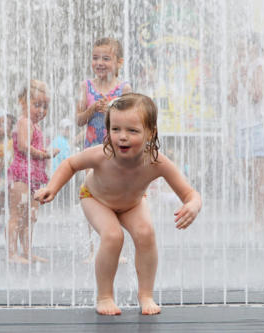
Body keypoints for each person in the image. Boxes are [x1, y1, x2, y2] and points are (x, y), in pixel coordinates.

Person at [35, 93, 202, 316]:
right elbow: (71, 164)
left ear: (150, 132)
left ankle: (145, 294)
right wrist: (52, 188)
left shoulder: (156, 161)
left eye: (132, 131)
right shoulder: (103, 154)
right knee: (113, 236)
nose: (122, 137)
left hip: (132, 204)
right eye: (116, 129)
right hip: (95, 198)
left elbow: (190, 193)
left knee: (146, 233)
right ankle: (104, 296)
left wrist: (193, 205)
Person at [76, 37, 132, 263]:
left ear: (119, 62)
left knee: (116, 198)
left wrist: (113, 111)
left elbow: (132, 118)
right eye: (95, 58)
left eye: (106, 58)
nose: (99, 63)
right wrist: (90, 110)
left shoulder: (123, 88)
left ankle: (114, 248)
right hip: (91, 150)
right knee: (90, 196)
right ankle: (93, 250)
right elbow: (79, 119)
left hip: (116, 151)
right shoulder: (86, 87)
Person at [7, 80, 59, 264]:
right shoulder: (24, 121)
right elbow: (23, 146)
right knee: (17, 215)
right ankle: (12, 253)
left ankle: (27, 251)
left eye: (45, 107)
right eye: (37, 105)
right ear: (23, 102)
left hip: (34, 177)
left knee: (31, 216)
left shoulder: (35, 125)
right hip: (21, 175)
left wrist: (45, 153)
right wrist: (45, 154)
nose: (41, 110)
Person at [228, 32, 264, 230]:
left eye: (243, 48)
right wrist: (235, 77)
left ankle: (259, 219)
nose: (240, 52)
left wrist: (245, 75)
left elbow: (257, 94)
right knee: (248, 172)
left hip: (259, 125)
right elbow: (232, 99)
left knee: (258, 175)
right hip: (243, 125)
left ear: (253, 47)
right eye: (238, 49)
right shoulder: (240, 67)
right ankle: (256, 215)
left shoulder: (259, 65)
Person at [0, 113, 16, 219]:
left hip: (10, 182)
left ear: (10, 129)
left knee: (10, 206)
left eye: (1, 125)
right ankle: (0, 225)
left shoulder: (12, 143)